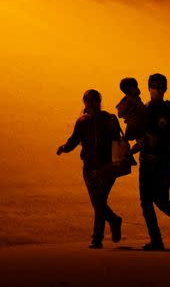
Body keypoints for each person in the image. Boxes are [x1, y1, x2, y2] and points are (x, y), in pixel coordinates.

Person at [57, 89, 124, 248]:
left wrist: (64, 148)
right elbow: (74, 140)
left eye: (91, 101)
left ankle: (97, 238)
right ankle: (113, 221)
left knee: (99, 201)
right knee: (98, 202)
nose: (90, 104)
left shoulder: (105, 119)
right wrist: (65, 147)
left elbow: (117, 141)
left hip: (104, 168)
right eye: (89, 101)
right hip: (93, 168)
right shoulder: (86, 121)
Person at [139, 73, 170, 250]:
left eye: (162, 87)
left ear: (166, 89)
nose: (158, 90)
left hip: (164, 161)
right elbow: (138, 135)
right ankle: (156, 240)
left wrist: (156, 138)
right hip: (146, 161)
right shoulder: (143, 109)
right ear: (149, 88)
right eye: (155, 86)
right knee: (145, 201)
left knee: (160, 199)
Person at [115, 77, 149, 154]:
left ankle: (127, 153)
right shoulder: (129, 100)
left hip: (134, 124)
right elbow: (120, 113)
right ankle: (129, 153)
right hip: (135, 124)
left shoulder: (134, 98)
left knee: (130, 141)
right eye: (135, 87)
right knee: (141, 143)